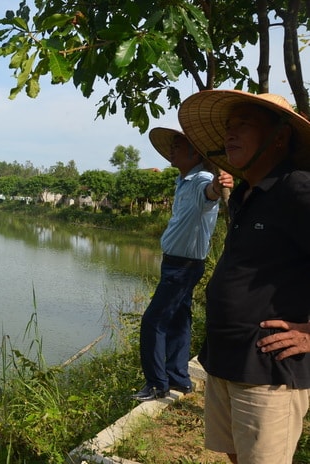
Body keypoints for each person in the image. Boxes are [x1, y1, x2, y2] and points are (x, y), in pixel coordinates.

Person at [178, 89, 310, 464]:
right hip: (226, 360)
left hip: (268, 370)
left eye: (244, 126)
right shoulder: (246, 195)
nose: (230, 135)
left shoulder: (296, 189)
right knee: (235, 456)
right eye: (229, 127)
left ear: (278, 137)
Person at [132, 128, 233, 402]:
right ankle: (179, 378)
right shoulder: (183, 180)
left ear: (194, 152)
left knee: (153, 321)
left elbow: (211, 193)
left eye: (178, 145)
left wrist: (218, 184)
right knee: (178, 321)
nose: (172, 151)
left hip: (183, 266)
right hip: (176, 263)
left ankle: (156, 384)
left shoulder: (200, 179)